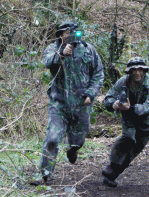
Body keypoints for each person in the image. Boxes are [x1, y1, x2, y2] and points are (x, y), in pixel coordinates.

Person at [37, 20, 104, 185]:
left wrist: (91, 94)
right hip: (58, 103)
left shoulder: (89, 50)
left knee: (77, 140)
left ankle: (73, 150)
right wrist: (61, 54)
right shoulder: (53, 49)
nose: (68, 35)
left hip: (82, 104)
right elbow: (46, 62)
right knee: (52, 137)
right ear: (60, 35)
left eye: (72, 32)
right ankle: (45, 174)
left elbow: (98, 74)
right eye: (65, 32)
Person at [102, 57, 149, 187]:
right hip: (128, 118)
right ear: (129, 72)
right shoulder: (123, 82)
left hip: (147, 123)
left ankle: (111, 177)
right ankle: (112, 164)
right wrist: (114, 104)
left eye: (140, 69)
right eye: (134, 70)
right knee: (128, 138)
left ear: (145, 71)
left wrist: (132, 107)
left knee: (133, 152)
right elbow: (108, 98)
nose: (137, 73)